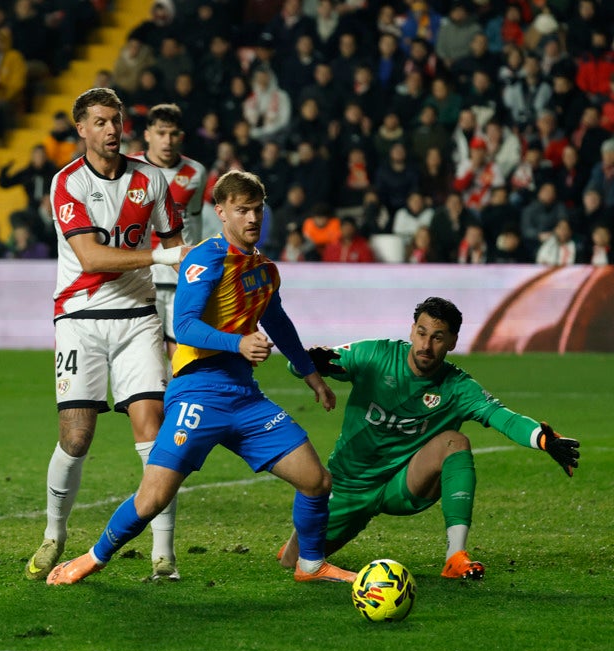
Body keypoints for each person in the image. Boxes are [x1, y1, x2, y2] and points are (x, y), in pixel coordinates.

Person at [47, 169, 354, 587]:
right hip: (198, 391)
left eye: (257, 209)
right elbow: (185, 326)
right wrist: (238, 343)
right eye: (242, 210)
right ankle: (92, 558)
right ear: (221, 212)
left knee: (316, 481)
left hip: (245, 397)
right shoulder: (206, 259)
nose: (252, 218)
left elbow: (277, 321)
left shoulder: (264, 269)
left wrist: (310, 374)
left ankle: (311, 565)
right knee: (153, 498)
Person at [277, 297, 580, 580]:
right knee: (292, 561)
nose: (426, 345)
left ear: (452, 341)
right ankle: (314, 535)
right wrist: (309, 362)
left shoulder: (457, 387)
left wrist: (543, 439)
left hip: (403, 484)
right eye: (422, 333)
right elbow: (297, 364)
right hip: (350, 486)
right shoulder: (374, 355)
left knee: (454, 442)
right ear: (412, 331)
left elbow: (504, 417)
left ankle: (455, 556)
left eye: (437, 337)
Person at [25, 87, 188, 583]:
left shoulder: (151, 179)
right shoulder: (67, 182)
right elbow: (92, 258)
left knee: (153, 431)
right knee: (76, 437)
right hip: (79, 318)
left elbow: (177, 246)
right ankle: (54, 533)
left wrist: (194, 299)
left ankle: (163, 555)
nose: (111, 130)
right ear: (81, 129)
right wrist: (160, 256)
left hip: (138, 317)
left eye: (115, 121)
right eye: (100, 122)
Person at [134, 104, 207, 358]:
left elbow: (193, 222)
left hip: (181, 276)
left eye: (173, 134)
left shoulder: (196, 172)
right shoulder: (131, 168)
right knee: (146, 353)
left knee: (183, 351)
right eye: (161, 133)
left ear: (181, 137)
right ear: (147, 135)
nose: (167, 140)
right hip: (143, 276)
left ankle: (181, 387)